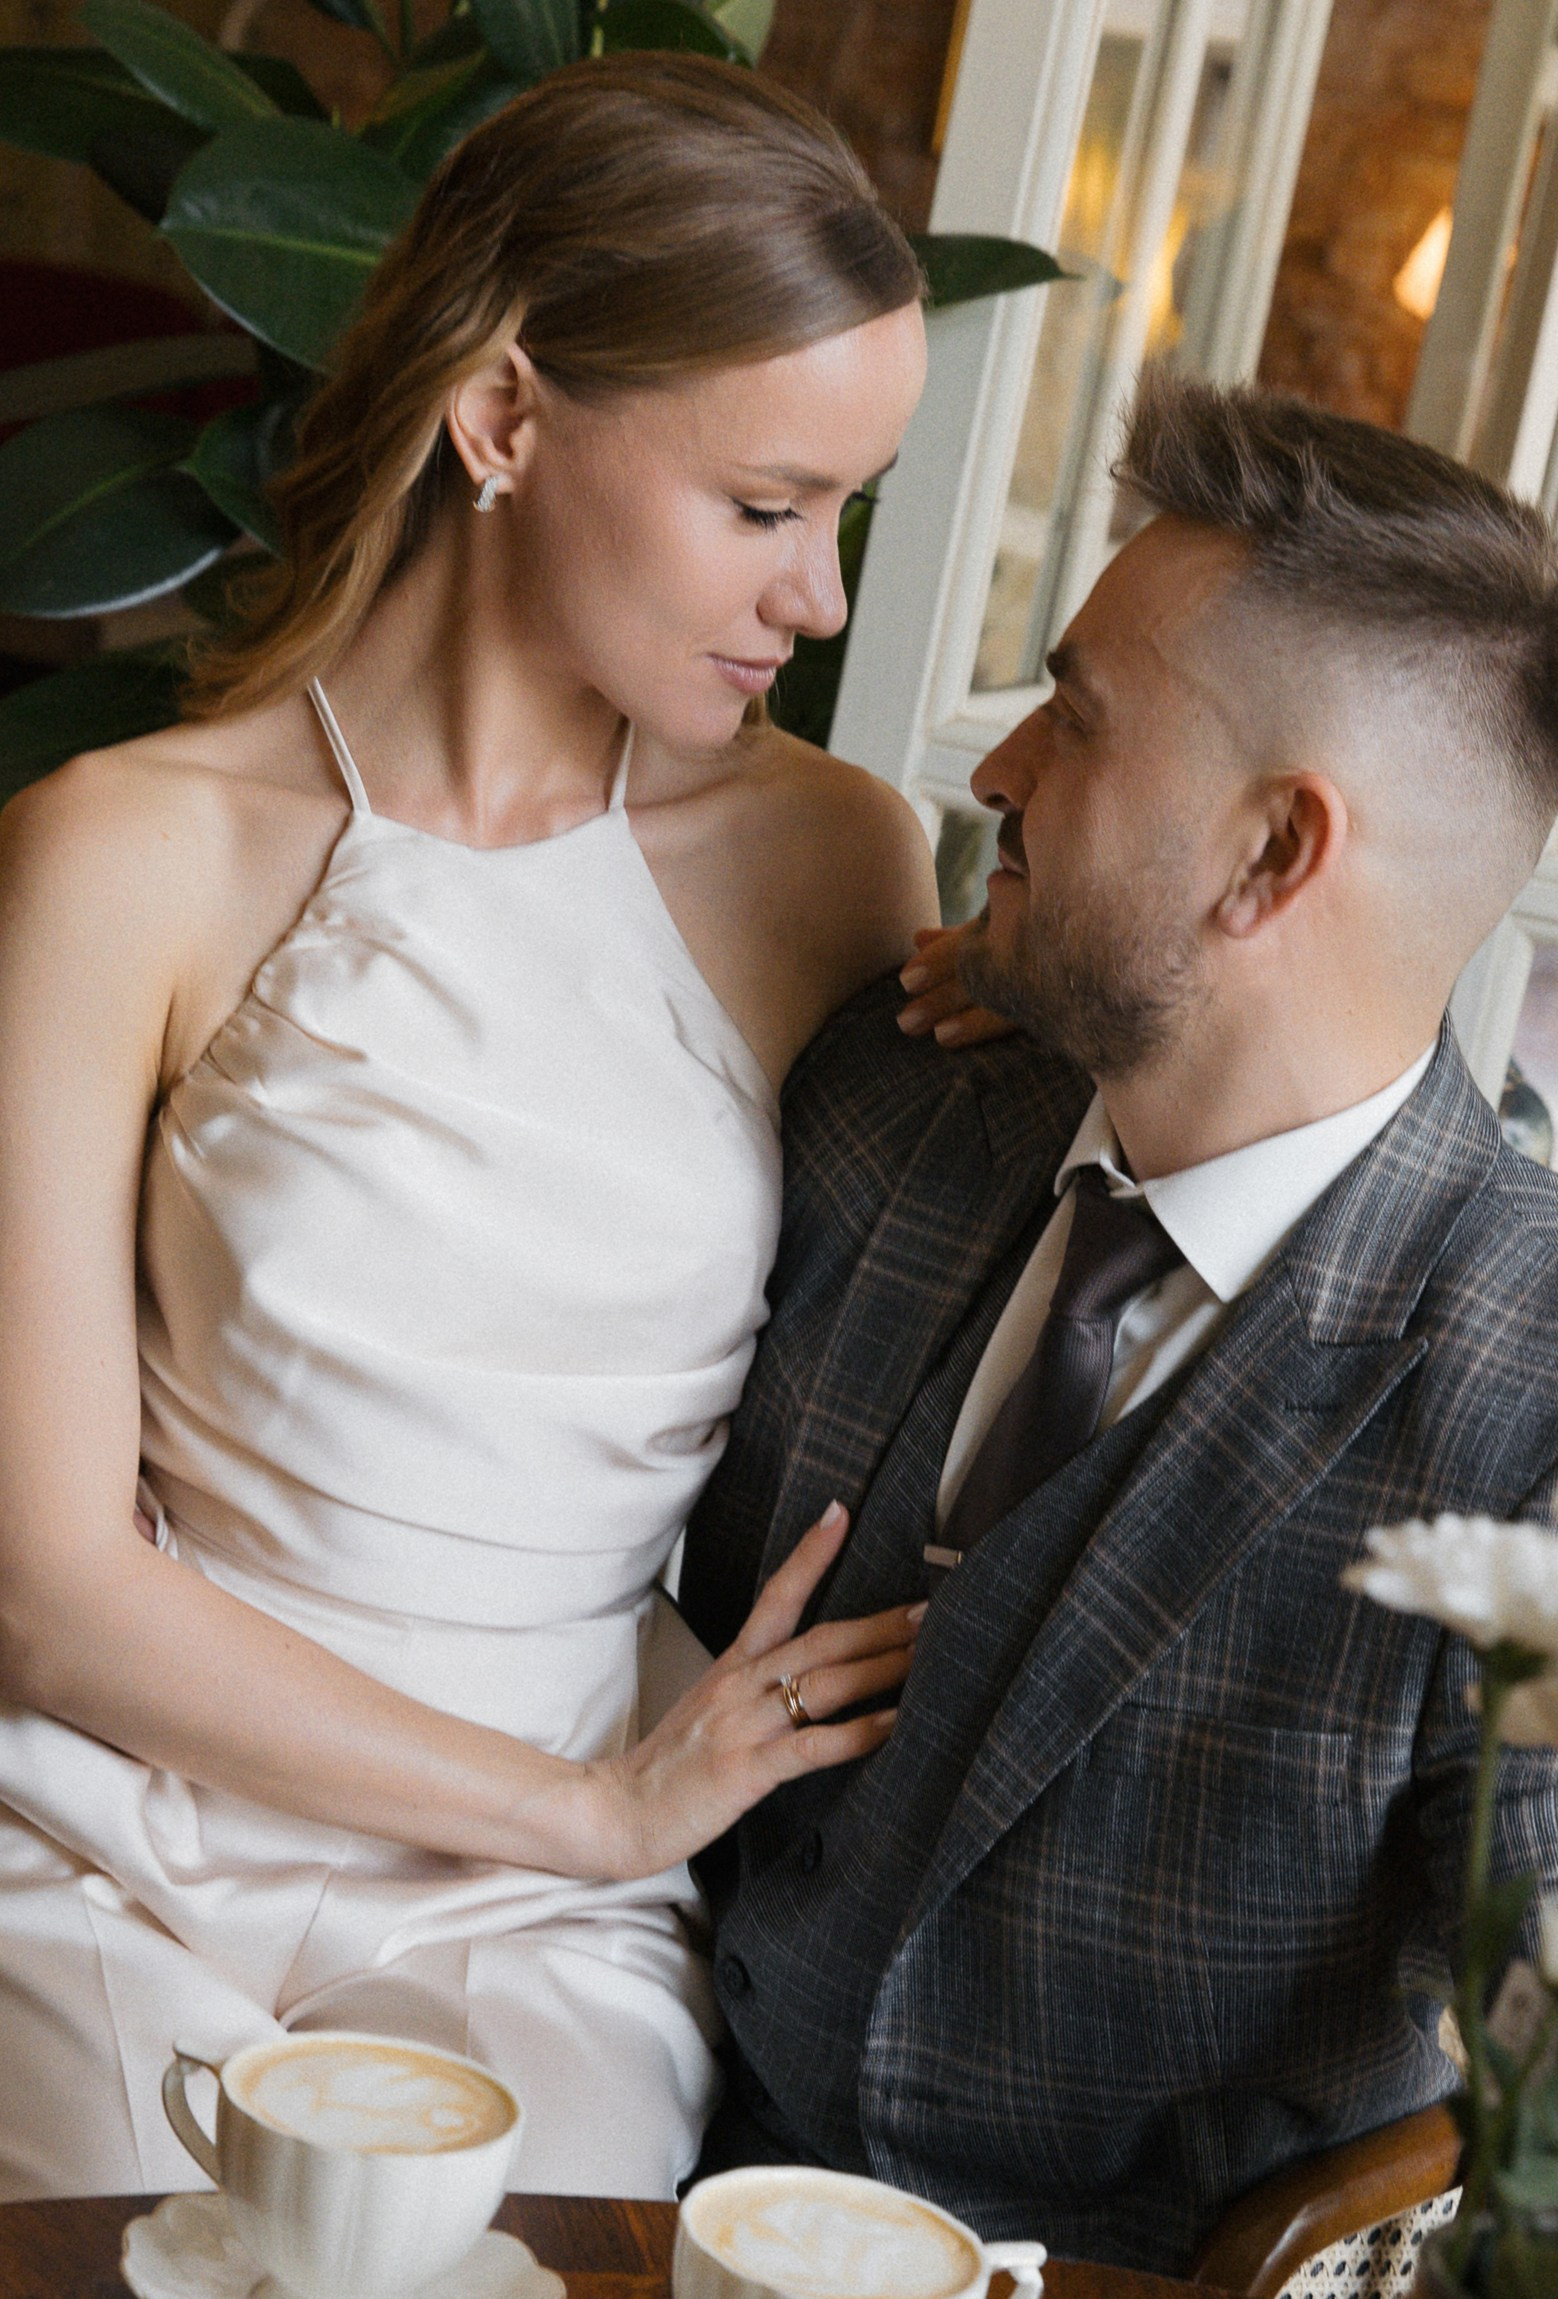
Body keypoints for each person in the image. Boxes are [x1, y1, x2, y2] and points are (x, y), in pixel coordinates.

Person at [0, 54, 948, 2202]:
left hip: (540, 1919)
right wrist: (592, 1809)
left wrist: (1033, 992)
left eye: (845, 514)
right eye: (767, 506)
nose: (816, 600)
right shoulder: (123, 851)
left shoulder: (830, 861)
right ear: (506, 418)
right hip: (105, 1834)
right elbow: (44, 1584)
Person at [680, 373, 1558, 2271]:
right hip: (623, 2126)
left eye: (1075, 719)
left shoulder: (1539, 1408)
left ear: (1273, 856)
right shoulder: (898, 1092)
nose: (994, 772)